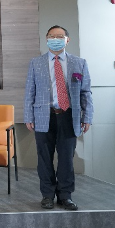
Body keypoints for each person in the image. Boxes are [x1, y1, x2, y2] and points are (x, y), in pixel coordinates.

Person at [24, 25, 92, 211]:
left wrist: (87, 117)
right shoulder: (36, 63)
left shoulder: (79, 63)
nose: (55, 39)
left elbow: (85, 92)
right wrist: (28, 115)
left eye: (59, 36)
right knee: (44, 157)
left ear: (67, 40)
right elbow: (30, 91)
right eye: (51, 36)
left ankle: (65, 196)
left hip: (69, 115)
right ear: (46, 39)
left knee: (66, 158)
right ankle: (47, 195)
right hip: (43, 115)